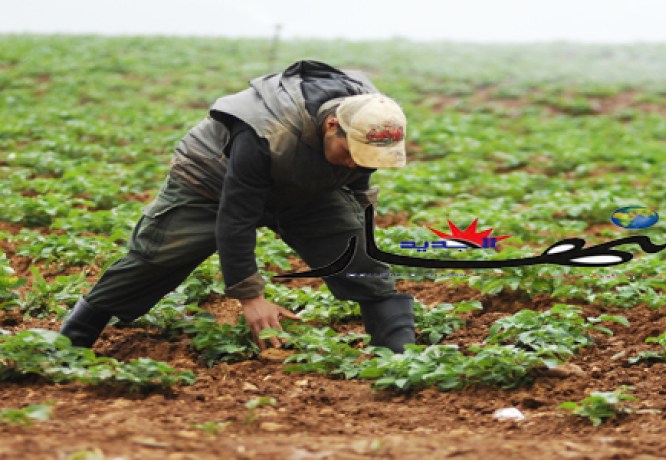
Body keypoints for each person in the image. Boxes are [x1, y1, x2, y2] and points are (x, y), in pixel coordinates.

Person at [59, 60, 416, 353]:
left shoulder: (372, 125)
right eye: (351, 154)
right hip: (211, 180)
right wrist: (250, 297)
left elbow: (356, 191)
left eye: (368, 158)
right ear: (332, 124)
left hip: (307, 185)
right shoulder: (264, 132)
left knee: (358, 259)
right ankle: (69, 342)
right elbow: (236, 216)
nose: (357, 163)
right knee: (155, 258)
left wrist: (353, 230)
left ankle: (400, 354)